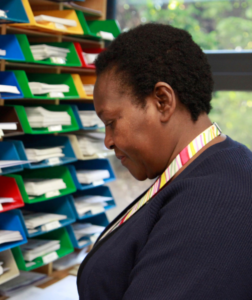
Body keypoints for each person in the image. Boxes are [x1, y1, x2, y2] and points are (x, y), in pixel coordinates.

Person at [77, 23, 252, 300]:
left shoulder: (213, 202)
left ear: (162, 101)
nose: (107, 141)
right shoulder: (207, 167)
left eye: (111, 122)